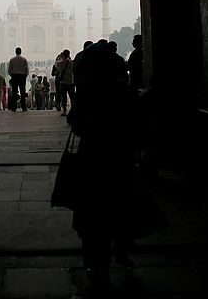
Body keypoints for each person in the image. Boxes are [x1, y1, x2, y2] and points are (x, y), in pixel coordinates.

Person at [70, 39, 137, 292]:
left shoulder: (87, 93)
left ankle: (95, 263)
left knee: (92, 211)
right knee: (120, 205)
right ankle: (121, 249)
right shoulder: (124, 91)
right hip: (120, 159)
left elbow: (74, 123)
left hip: (92, 158)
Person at [7, 47, 29, 111]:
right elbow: (26, 69)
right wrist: (25, 76)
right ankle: (23, 107)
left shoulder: (12, 60)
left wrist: (12, 76)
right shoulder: (24, 59)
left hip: (14, 76)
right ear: (21, 52)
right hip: (22, 76)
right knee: (22, 92)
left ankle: (14, 107)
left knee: (14, 92)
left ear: (15, 52)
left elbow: (9, 70)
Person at [56, 49, 75, 117]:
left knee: (63, 97)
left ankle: (64, 111)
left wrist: (61, 57)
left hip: (63, 82)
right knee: (72, 97)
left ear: (63, 55)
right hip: (71, 82)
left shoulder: (59, 63)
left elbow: (57, 68)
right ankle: (73, 110)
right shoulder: (72, 62)